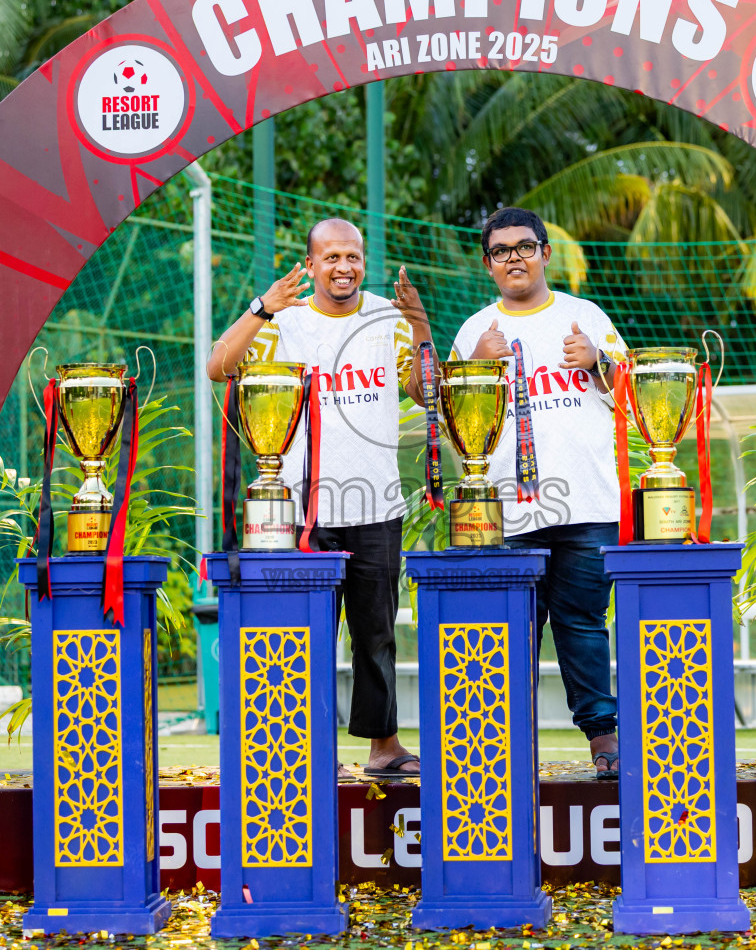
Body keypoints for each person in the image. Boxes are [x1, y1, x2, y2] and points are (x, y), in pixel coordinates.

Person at [206, 218, 430, 777]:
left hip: (376, 504)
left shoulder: (387, 319)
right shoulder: (285, 323)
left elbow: (426, 391)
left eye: (352, 256)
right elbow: (218, 367)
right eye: (330, 257)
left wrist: (421, 325)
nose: (343, 267)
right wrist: (262, 307)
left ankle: (384, 749)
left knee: (375, 635)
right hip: (300, 512)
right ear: (310, 266)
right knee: (300, 639)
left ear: (363, 260)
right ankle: (302, 754)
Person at [448, 207, 626, 779]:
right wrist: (476, 364)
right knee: (503, 632)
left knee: (582, 624)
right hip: (504, 508)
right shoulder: (475, 330)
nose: (515, 258)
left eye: (525, 246)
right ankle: (498, 754)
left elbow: (639, 397)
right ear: (488, 264)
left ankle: (605, 742)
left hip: (586, 504)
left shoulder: (585, 315)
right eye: (501, 251)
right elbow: (450, 423)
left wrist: (598, 362)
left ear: (545, 253)